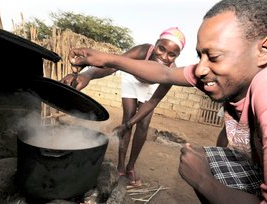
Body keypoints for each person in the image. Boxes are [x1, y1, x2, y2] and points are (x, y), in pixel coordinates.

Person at [66, 0, 267, 202]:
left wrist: (203, 181)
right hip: (261, 168)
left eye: (214, 56)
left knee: (199, 169)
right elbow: (165, 74)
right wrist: (101, 61)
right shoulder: (231, 77)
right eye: (200, 56)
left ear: (264, 49)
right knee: (202, 157)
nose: (201, 68)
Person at [61, 27, 186, 186]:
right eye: (161, 48)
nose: (164, 56)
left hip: (152, 87)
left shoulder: (171, 73)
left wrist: (127, 125)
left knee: (143, 124)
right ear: (155, 45)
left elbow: (153, 102)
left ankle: (131, 166)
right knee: (128, 115)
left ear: (177, 56)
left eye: (171, 54)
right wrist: (87, 75)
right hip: (132, 79)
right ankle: (120, 164)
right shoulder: (142, 51)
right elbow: (113, 65)